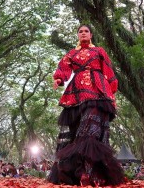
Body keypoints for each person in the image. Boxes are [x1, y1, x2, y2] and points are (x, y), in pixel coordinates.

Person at [48, 25, 124, 186]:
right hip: (76, 94)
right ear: (78, 35)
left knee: (90, 132)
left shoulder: (99, 51)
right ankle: (78, 173)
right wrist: (58, 79)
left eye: (86, 31)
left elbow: (109, 71)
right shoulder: (72, 53)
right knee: (77, 133)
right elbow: (63, 68)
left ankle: (89, 173)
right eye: (80, 31)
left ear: (91, 34)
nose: (83, 33)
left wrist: (112, 91)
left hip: (98, 92)